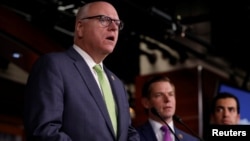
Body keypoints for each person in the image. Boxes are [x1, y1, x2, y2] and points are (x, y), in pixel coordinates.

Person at [23, 1, 140, 141]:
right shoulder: (54, 66)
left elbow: (128, 133)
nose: (114, 27)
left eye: (117, 23)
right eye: (104, 20)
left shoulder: (118, 84)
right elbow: (44, 131)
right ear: (80, 27)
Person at [136, 75, 199, 141]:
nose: (167, 99)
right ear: (146, 103)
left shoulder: (192, 140)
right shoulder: (132, 138)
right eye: (159, 95)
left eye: (171, 94)